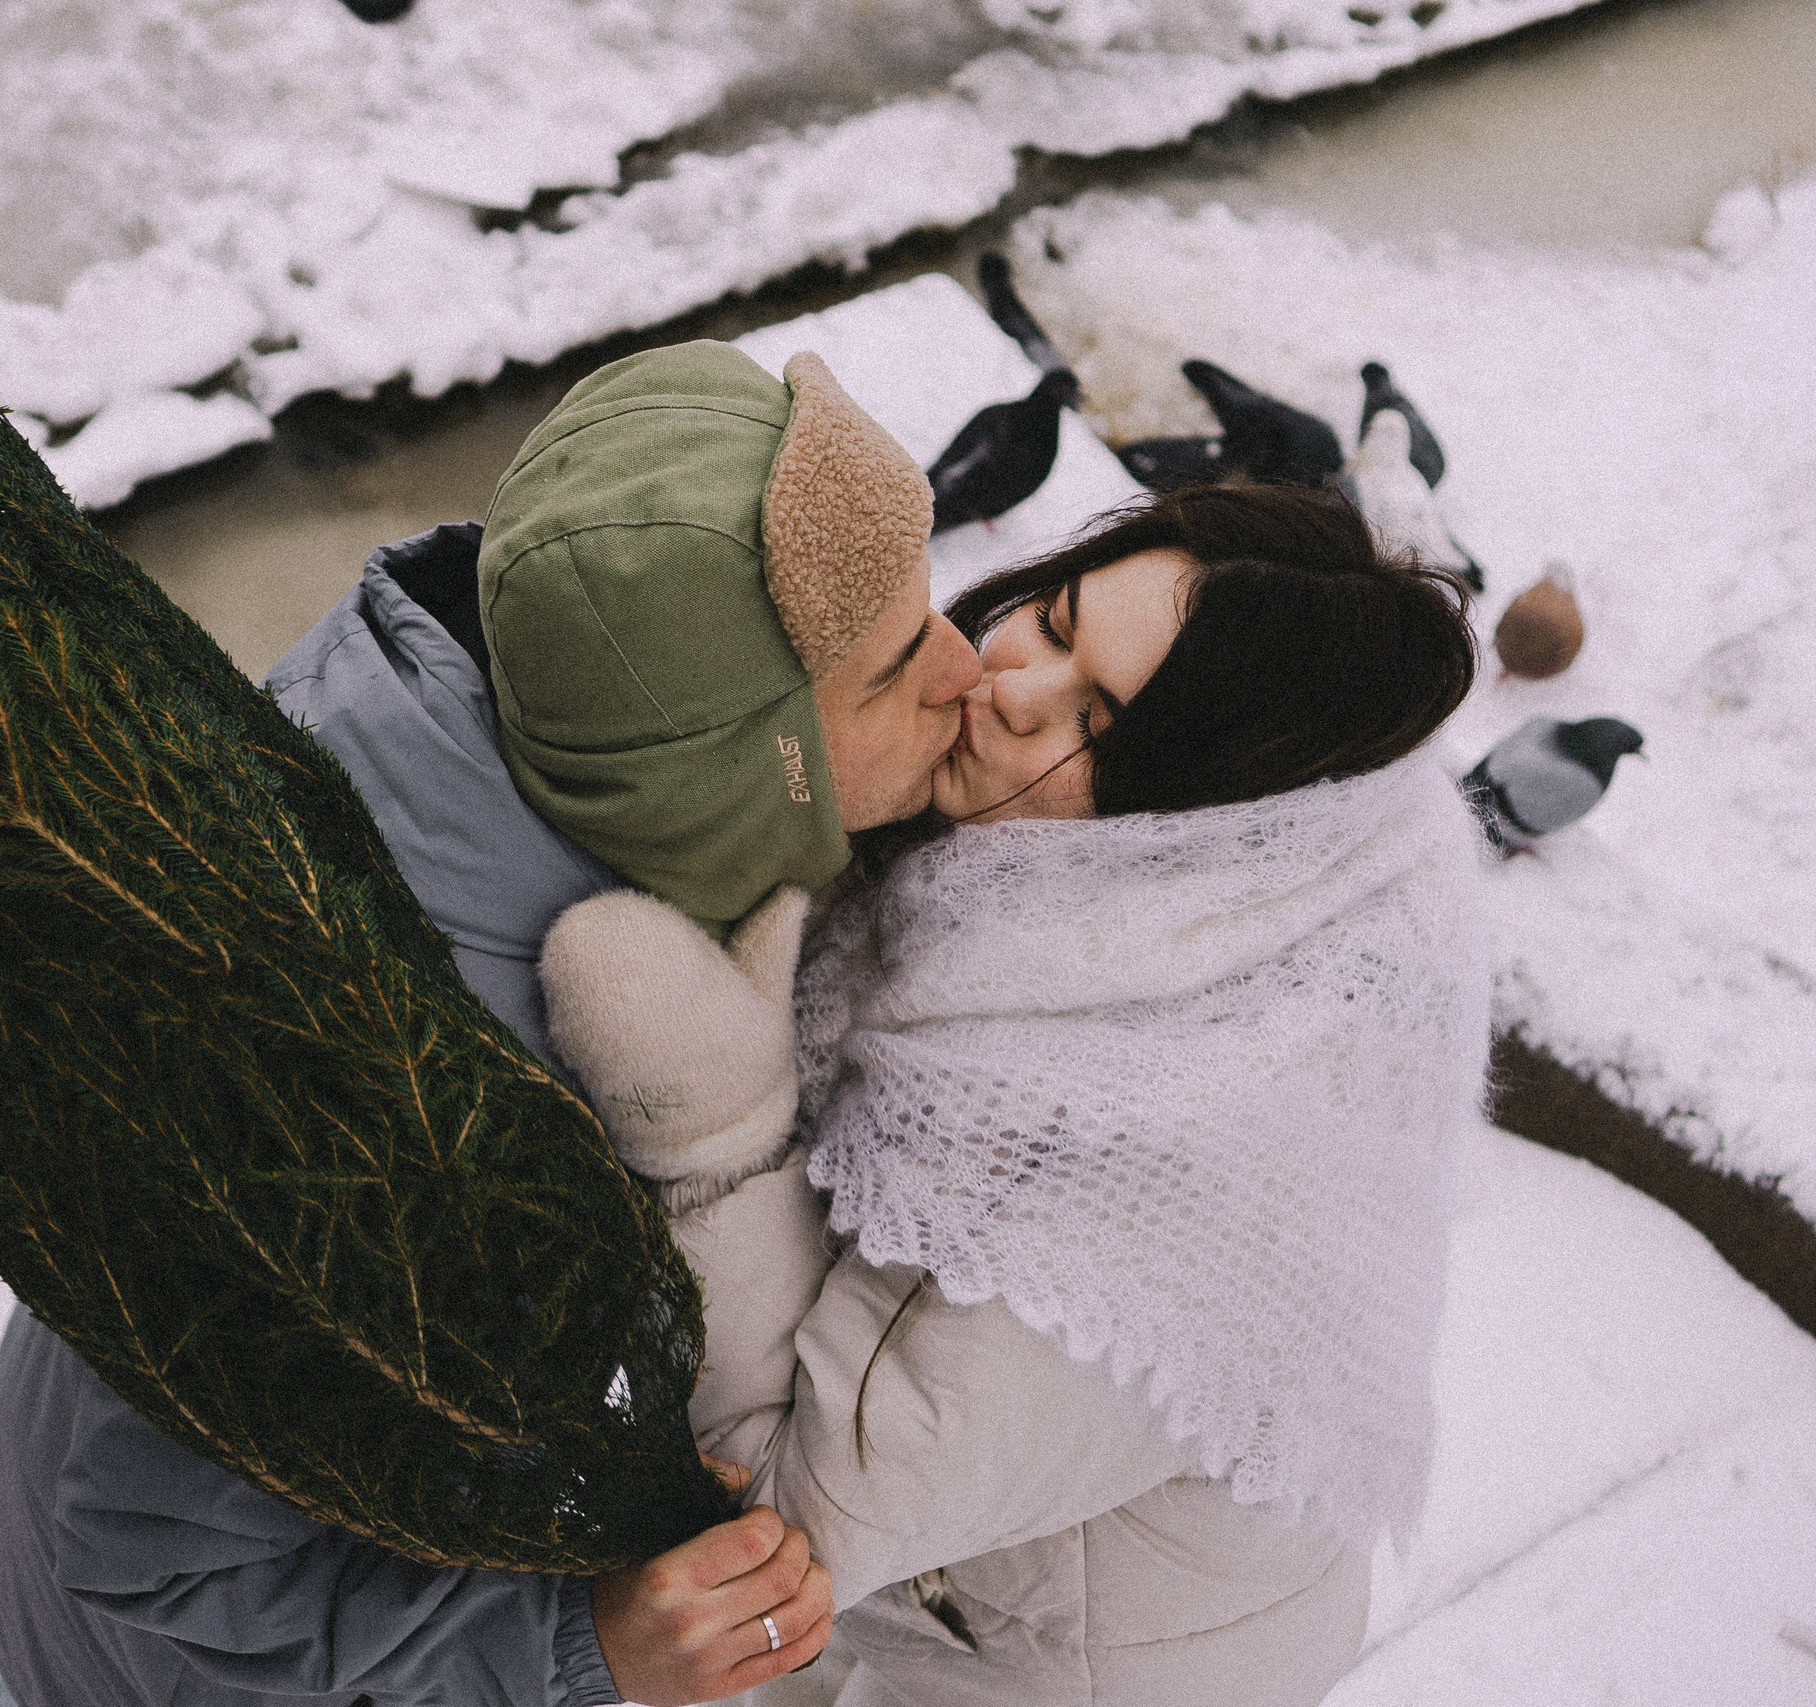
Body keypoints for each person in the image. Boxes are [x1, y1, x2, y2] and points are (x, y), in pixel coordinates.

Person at [0, 339, 981, 1707]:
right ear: (726, 772)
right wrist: (571, 1647)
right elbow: (144, 1545)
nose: (971, 669)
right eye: (895, 666)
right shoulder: (358, 1083)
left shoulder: (487, 749)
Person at [535, 479, 1493, 1706]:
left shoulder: (1116, 1169)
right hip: (988, 1571)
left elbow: (782, 1525)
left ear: (1199, 814)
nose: (1008, 687)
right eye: (1049, 618)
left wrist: (717, 1133)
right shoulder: (1256, 869)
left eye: (1098, 719)